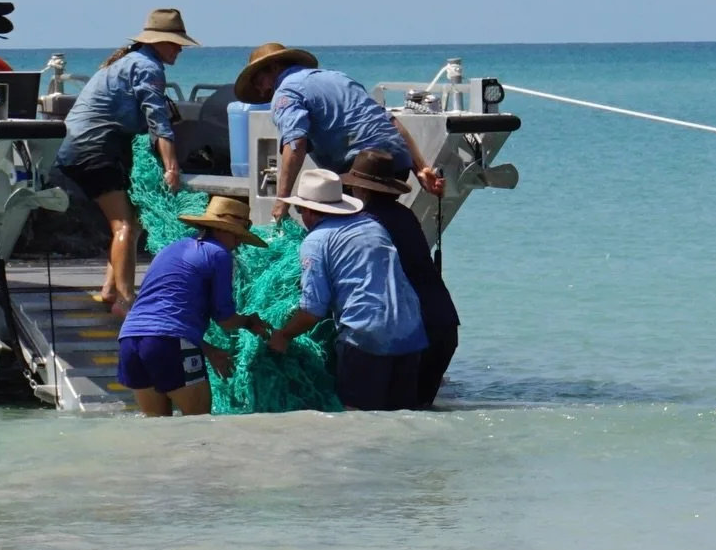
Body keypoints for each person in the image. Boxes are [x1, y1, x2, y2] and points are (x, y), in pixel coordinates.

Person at [55, 8, 196, 312]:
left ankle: (110, 290)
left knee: (131, 221)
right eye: (175, 43)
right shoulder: (147, 66)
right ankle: (125, 299)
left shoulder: (128, 60)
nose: (179, 50)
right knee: (124, 226)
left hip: (79, 146)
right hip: (93, 148)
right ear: (157, 41)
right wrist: (171, 167)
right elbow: (158, 122)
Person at [267, 169, 428, 411]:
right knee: (402, 418)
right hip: (410, 332)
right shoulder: (372, 226)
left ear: (309, 211)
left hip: (365, 336)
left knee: (356, 418)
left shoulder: (316, 241)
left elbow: (312, 310)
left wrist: (283, 335)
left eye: (300, 210)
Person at [231, 43, 445, 223]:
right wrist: (421, 169)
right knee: (382, 223)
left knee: (327, 222)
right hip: (398, 164)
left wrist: (282, 201)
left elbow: (295, 144)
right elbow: (390, 122)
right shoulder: (338, 77)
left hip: (359, 167)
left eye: (259, 82)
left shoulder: (285, 92)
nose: (262, 91)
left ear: (274, 68)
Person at [117, 195, 270, 415]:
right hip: (168, 343)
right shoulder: (219, 254)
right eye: (238, 236)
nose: (239, 243)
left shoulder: (171, 249)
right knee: (200, 425)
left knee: (156, 427)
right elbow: (225, 319)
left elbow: (164, 318)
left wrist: (207, 349)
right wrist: (250, 322)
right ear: (221, 230)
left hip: (129, 341)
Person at [342, 148, 460, 407]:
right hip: (444, 324)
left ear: (360, 188)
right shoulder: (405, 216)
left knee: (383, 414)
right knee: (417, 412)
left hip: (411, 332)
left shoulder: (364, 224)